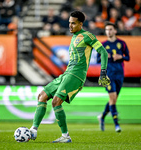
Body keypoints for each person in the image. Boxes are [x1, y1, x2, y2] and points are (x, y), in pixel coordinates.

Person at [29, 10, 110, 143]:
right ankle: (33, 130)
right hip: (67, 73)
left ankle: (65, 136)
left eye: (73, 23)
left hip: (76, 75)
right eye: (69, 23)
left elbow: (103, 52)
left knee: (56, 102)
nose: (70, 26)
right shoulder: (73, 37)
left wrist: (103, 71)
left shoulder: (87, 36)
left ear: (81, 24)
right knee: (42, 96)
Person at [97, 22, 130, 132]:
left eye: (110, 29)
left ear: (115, 31)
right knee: (112, 98)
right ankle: (116, 125)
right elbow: (97, 60)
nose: (108, 31)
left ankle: (101, 117)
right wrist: (106, 57)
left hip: (119, 74)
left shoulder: (122, 43)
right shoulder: (102, 45)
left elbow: (128, 57)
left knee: (113, 99)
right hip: (108, 75)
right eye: (107, 30)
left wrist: (121, 56)